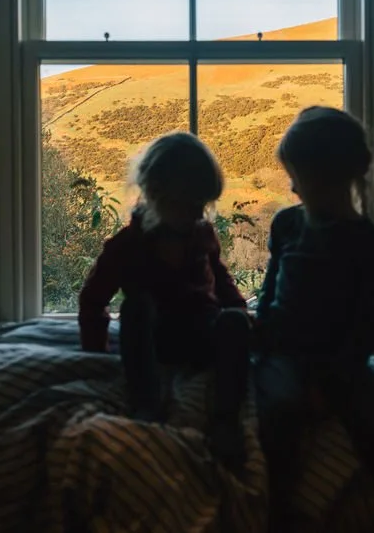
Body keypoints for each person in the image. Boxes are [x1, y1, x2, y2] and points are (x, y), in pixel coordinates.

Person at [253, 106, 374, 533]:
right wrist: (261, 337)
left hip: (339, 360)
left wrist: (331, 380)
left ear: (331, 179)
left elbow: (368, 325)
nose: (292, 186)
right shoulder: (286, 225)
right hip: (283, 351)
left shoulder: (365, 243)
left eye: (298, 175)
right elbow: (269, 294)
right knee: (278, 410)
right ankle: (275, 512)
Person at [78, 131, 252, 468]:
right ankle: (147, 403)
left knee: (233, 320)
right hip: (155, 342)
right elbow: (93, 300)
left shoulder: (201, 234)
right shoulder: (126, 246)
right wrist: (95, 354)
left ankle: (225, 420)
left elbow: (222, 280)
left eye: (204, 205)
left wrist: (239, 315)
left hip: (201, 335)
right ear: (155, 193)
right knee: (136, 308)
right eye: (191, 205)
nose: (200, 214)